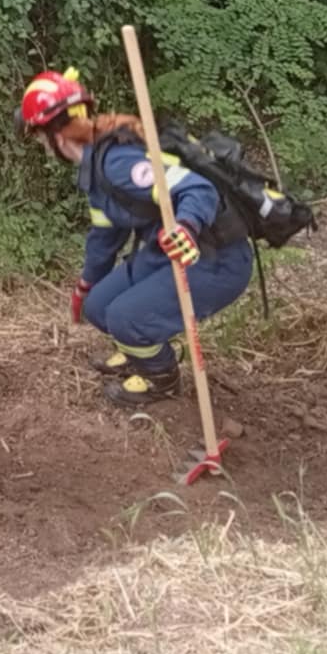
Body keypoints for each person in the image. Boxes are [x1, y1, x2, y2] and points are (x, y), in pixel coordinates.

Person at [19, 68, 254, 407]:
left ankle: (161, 375)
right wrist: (85, 285)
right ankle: (138, 354)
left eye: (40, 138)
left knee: (125, 318)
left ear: (55, 134)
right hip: (166, 253)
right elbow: (105, 235)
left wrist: (185, 227)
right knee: (98, 306)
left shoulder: (117, 162)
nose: (42, 147)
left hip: (214, 258)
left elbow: (199, 190)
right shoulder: (95, 168)